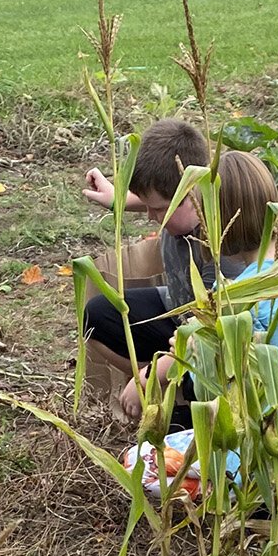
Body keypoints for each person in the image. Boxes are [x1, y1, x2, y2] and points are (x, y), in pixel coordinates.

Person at [121, 150, 278, 498]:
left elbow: (209, 382)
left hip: (266, 456)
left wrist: (159, 370)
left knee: (139, 465)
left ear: (218, 219)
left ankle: (257, 502)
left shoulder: (238, 301)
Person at [80, 119, 251, 427]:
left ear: (193, 193)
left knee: (203, 377)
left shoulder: (221, 249)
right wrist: (116, 198)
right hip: (179, 311)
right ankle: (171, 390)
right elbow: (161, 199)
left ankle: (189, 410)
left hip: (214, 346)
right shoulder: (185, 205)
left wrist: (146, 378)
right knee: (99, 316)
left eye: (157, 210)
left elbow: (211, 336)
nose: (151, 217)